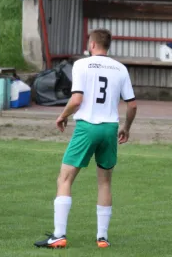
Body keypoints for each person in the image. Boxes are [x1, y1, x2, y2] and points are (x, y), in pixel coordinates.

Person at [34, 29, 137, 249]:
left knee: (64, 179)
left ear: (91, 44)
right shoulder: (120, 68)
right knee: (105, 182)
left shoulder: (81, 65)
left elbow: (77, 99)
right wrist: (126, 127)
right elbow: (133, 104)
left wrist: (62, 116)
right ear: (108, 46)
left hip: (87, 127)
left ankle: (59, 235)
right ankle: (102, 238)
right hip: (110, 128)